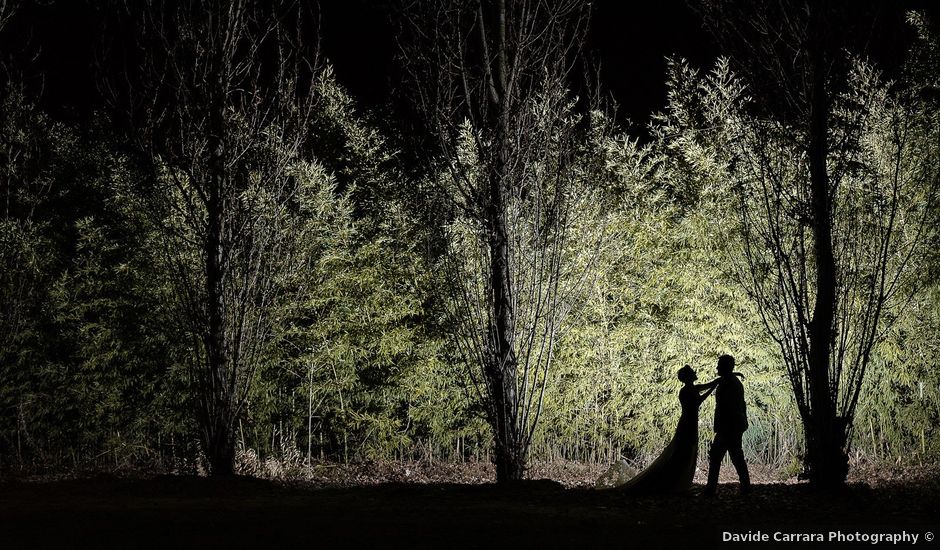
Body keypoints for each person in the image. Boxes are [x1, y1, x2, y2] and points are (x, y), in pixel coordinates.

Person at [620, 365, 721, 494]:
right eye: (692, 372)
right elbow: (698, 402)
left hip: (690, 423)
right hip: (687, 424)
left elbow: (711, 383)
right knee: (683, 452)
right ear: (688, 377)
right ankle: (675, 482)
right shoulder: (685, 392)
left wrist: (727, 376)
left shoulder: (693, 388)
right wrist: (713, 388)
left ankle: (680, 482)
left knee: (687, 451)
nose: (695, 373)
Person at [703, 354, 751, 496]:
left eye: (719, 365)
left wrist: (721, 426)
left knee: (719, 456)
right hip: (734, 425)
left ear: (725, 367)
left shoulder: (728, 384)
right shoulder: (732, 382)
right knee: (735, 456)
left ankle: (711, 489)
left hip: (729, 427)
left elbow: (727, 408)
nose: (717, 367)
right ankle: (745, 487)